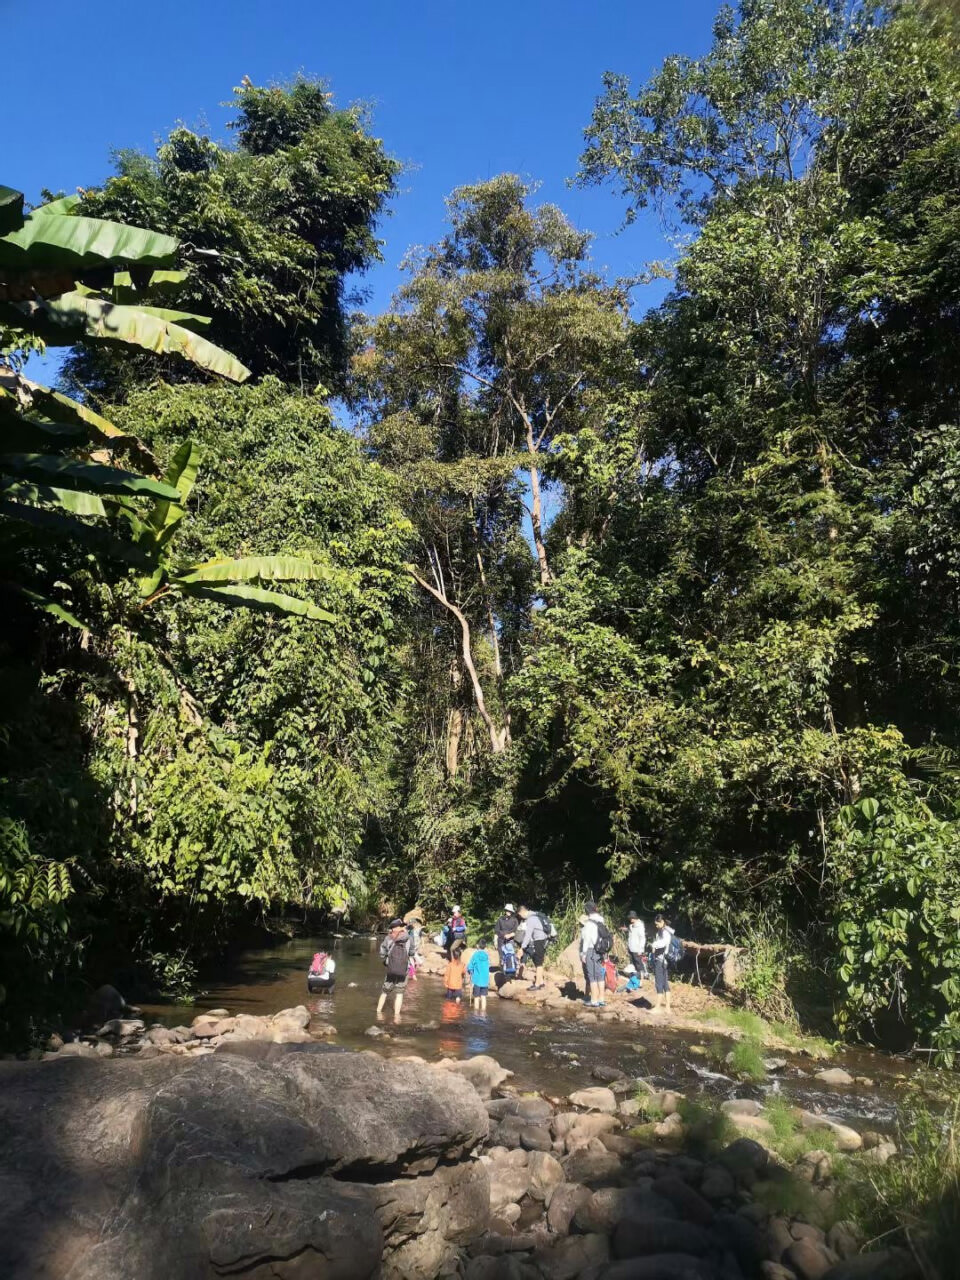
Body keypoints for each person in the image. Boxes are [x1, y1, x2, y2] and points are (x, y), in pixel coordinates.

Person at [377, 919, 413, 1021]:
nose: (403, 927)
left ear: (392, 928)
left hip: (391, 969)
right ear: (398, 927)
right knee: (399, 993)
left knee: (384, 992)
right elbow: (412, 953)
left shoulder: (388, 938)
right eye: (401, 925)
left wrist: (386, 959)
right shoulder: (409, 938)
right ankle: (397, 1017)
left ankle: (378, 1014)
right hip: (403, 970)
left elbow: (382, 953)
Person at [579, 900, 610, 1007]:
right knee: (600, 975)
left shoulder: (589, 924)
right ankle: (601, 999)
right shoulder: (601, 921)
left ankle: (594, 1000)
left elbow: (587, 940)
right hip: (600, 951)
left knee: (592, 977)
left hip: (591, 951)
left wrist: (583, 954)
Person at [517, 904, 549, 990]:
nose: (521, 917)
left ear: (522, 912)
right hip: (544, 939)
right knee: (539, 961)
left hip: (539, 940)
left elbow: (528, 935)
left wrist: (522, 948)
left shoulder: (531, 919)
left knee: (538, 963)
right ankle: (541, 982)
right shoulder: (535, 915)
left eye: (520, 915)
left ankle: (537, 984)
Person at [650, 913, 675, 1013]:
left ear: (662, 922)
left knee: (659, 983)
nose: (656, 926)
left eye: (657, 924)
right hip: (666, 961)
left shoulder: (664, 932)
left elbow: (663, 943)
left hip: (661, 960)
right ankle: (668, 1008)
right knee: (665, 984)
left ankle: (658, 1007)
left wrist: (653, 945)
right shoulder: (668, 931)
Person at [467, 939, 491, 1011]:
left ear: (478, 946)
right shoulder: (486, 956)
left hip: (477, 980)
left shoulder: (475, 955)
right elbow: (488, 966)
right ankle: (483, 1013)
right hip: (485, 980)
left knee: (476, 997)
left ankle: (476, 1013)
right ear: (485, 946)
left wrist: (470, 971)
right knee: (483, 997)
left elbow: (470, 966)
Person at [495, 903, 520, 971]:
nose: (508, 912)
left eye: (509, 911)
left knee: (510, 955)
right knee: (501, 956)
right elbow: (496, 930)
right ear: (505, 911)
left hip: (510, 940)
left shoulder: (515, 920)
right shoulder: (500, 919)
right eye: (507, 910)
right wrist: (495, 941)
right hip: (501, 940)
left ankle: (510, 971)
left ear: (511, 912)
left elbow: (516, 931)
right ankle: (502, 970)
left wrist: (510, 935)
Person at [624, 910, 646, 979]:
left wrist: (641, 949)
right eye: (630, 918)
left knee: (639, 965)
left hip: (637, 949)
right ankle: (635, 978)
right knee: (633, 964)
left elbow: (642, 938)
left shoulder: (640, 926)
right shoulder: (631, 926)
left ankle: (641, 979)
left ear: (635, 918)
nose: (630, 919)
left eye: (631, 918)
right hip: (631, 948)